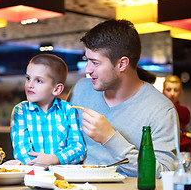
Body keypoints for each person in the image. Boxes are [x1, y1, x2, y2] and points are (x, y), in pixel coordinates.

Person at [68, 19, 177, 178]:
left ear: (122, 64)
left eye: (95, 62)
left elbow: (165, 175)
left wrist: (110, 138)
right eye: (87, 60)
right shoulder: (81, 90)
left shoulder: (161, 110)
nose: (87, 69)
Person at [10, 54, 86, 166]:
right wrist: (39, 166)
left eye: (38, 81)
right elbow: (21, 150)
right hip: (33, 175)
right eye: (28, 78)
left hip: (64, 177)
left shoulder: (68, 110)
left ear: (56, 89)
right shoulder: (21, 110)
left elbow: (78, 148)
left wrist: (54, 159)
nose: (30, 85)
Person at [162, 75, 191, 158]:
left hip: (182, 151)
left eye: (175, 90)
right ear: (163, 91)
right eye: (168, 90)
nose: (172, 94)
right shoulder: (158, 109)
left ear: (180, 92)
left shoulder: (184, 111)